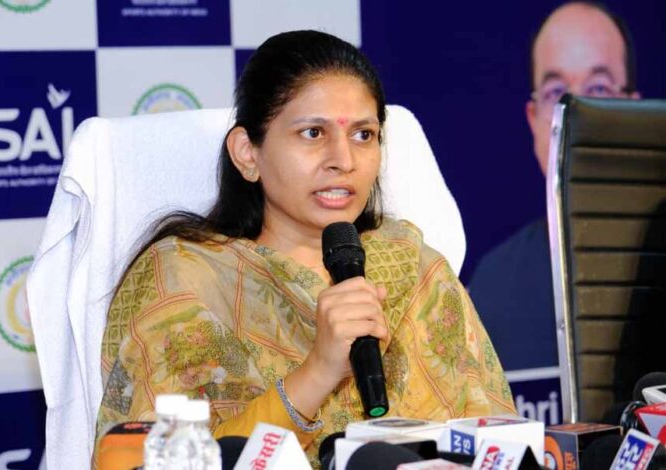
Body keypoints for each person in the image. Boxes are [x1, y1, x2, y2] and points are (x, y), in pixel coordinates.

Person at [95, 30, 514, 467]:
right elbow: (174, 459)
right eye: (313, 133)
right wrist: (318, 371)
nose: (343, 160)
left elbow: (498, 440)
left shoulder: (415, 268)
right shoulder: (184, 282)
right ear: (247, 153)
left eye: (364, 134)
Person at [468, 2, 639, 374]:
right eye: (555, 92)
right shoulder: (492, 286)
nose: (573, 113)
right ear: (533, 120)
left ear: (633, 110)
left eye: (599, 88)